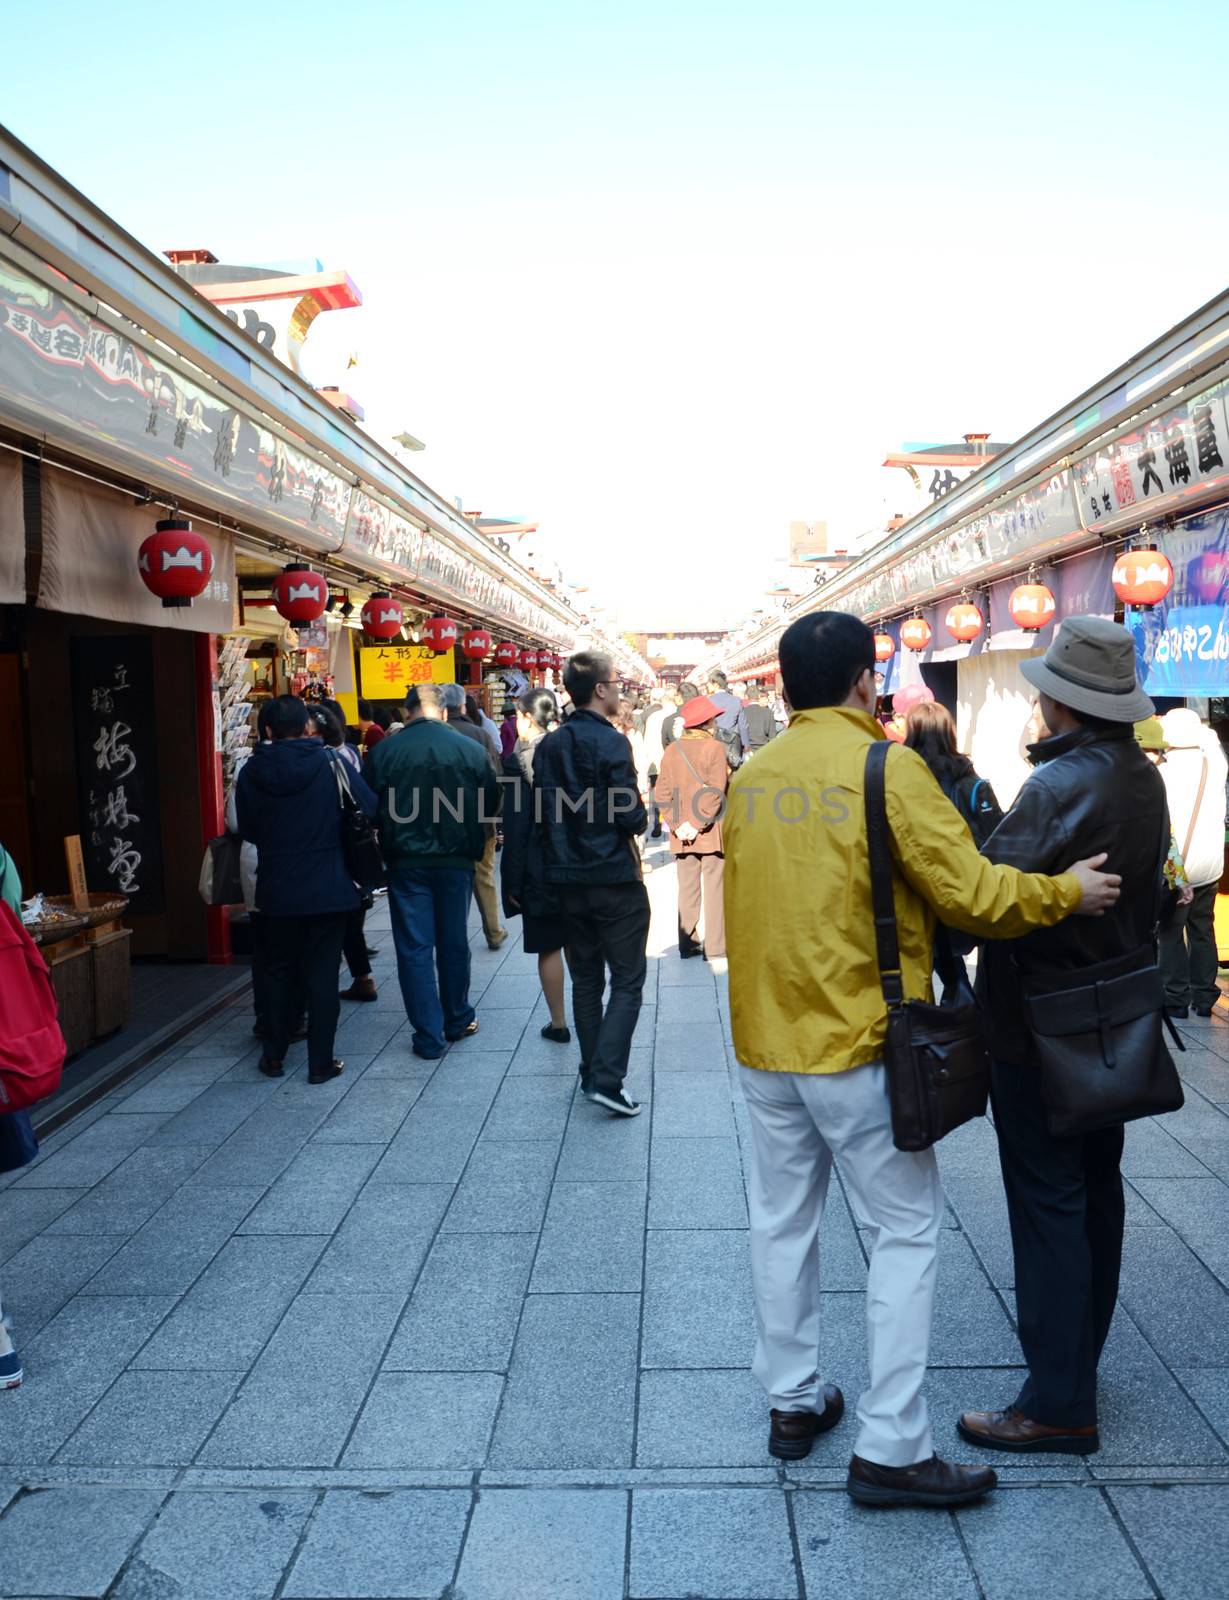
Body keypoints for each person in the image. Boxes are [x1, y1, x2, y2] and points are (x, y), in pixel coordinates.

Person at [723, 611, 1122, 1508]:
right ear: (865, 682)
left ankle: (792, 1402)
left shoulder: (752, 776)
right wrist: (1067, 891)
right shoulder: (885, 766)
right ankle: (893, 1445)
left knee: (780, 1221)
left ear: (784, 687)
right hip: (861, 1044)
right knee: (902, 1231)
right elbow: (972, 895)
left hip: (764, 1044)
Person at [959, 616, 1166, 1459]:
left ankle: (1056, 1403)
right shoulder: (1139, 777)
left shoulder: (1054, 788)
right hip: (1111, 1015)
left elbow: (981, 893)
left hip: (1037, 1024)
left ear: (1060, 702)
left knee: (1046, 1200)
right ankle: (1077, 1366)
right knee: (1095, 1189)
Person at [236, 694, 376, 1085]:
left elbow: (247, 829)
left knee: (278, 971)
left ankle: (273, 1056)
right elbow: (369, 807)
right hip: (329, 887)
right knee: (322, 975)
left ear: (266, 730)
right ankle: (320, 1063)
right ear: (307, 727)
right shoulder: (330, 764)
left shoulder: (250, 772)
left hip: (276, 887)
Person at [535, 651, 649, 1117]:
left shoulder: (549, 746)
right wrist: (640, 815)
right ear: (600, 689)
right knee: (627, 980)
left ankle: (590, 1070)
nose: (620, 690)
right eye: (616, 683)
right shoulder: (612, 743)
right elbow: (631, 817)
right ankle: (607, 1078)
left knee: (586, 979)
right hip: (613, 879)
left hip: (566, 879)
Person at [366, 683, 500, 1060]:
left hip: (405, 860)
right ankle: (456, 1018)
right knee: (453, 940)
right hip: (457, 858)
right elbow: (491, 800)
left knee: (414, 947)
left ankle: (428, 1035)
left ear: (406, 712)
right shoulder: (471, 750)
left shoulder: (385, 751)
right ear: (444, 712)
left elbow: (370, 803)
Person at [501, 687, 571, 1042]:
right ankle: (591, 1015)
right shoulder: (569, 749)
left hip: (539, 865)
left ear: (528, 717)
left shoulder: (518, 761)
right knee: (578, 941)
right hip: (577, 862)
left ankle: (558, 1023)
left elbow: (516, 827)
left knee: (549, 946)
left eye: (517, 715)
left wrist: (513, 882)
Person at [1155, 706, 1227, 1018]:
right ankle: (1205, 996)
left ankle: (1175, 998)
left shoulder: (1162, 771)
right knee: (1203, 928)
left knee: (1171, 931)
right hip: (1210, 864)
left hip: (1178, 866)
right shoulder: (1215, 762)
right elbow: (1210, 738)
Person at [308, 704, 379, 1005]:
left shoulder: (259, 765)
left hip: (301, 869)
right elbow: (370, 806)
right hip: (344, 859)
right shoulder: (340, 758)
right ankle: (359, 979)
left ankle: (312, 997)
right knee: (349, 923)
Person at [657, 695, 728, 962]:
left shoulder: (672, 750)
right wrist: (698, 824)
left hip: (682, 834)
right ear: (706, 723)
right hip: (709, 831)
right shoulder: (715, 748)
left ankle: (687, 943)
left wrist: (678, 824)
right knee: (714, 886)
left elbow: (662, 791)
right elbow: (715, 790)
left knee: (687, 887)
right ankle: (716, 946)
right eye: (713, 719)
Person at [440, 682, 507, 950]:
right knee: (484, 877)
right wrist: (495, 818)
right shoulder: (480, 735)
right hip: (481, 822)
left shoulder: (437, 736)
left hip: (443, 822)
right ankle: (493, 932)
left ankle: (451, 938)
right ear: (463, 706)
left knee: (451, 883)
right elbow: (497, 779)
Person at [903, 701, 1003, 845]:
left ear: (911, 735)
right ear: (950, 732)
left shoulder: (901, 775)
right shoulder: (966, 776)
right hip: (968, 862)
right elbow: (997, 834)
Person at [705, 670, 749, 767]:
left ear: (715, 684)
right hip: (731, 743)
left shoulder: (708, 701)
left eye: (709, 683)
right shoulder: (736, 700)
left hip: (713, 742)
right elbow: (743, 725)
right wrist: (746, 745)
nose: (707, 685)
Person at [743, 687, 778, 756]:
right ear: (759, 696)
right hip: (764, 749)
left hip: (747, 750)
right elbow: (772, 735)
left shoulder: (743, 712)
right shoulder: (767, 712)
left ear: (746, 697)